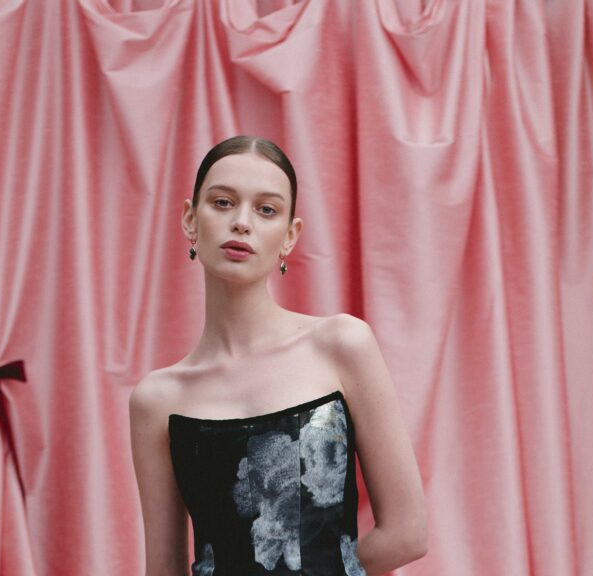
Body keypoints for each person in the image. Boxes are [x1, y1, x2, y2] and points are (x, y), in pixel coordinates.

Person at [129, 136, 427, 575]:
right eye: (223, 202)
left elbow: (407, 533)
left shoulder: (342, 344)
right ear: (190, 220)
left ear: (290, 236)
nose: (241, 223)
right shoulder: (156, 399)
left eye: (266, 209)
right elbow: (163, 569)